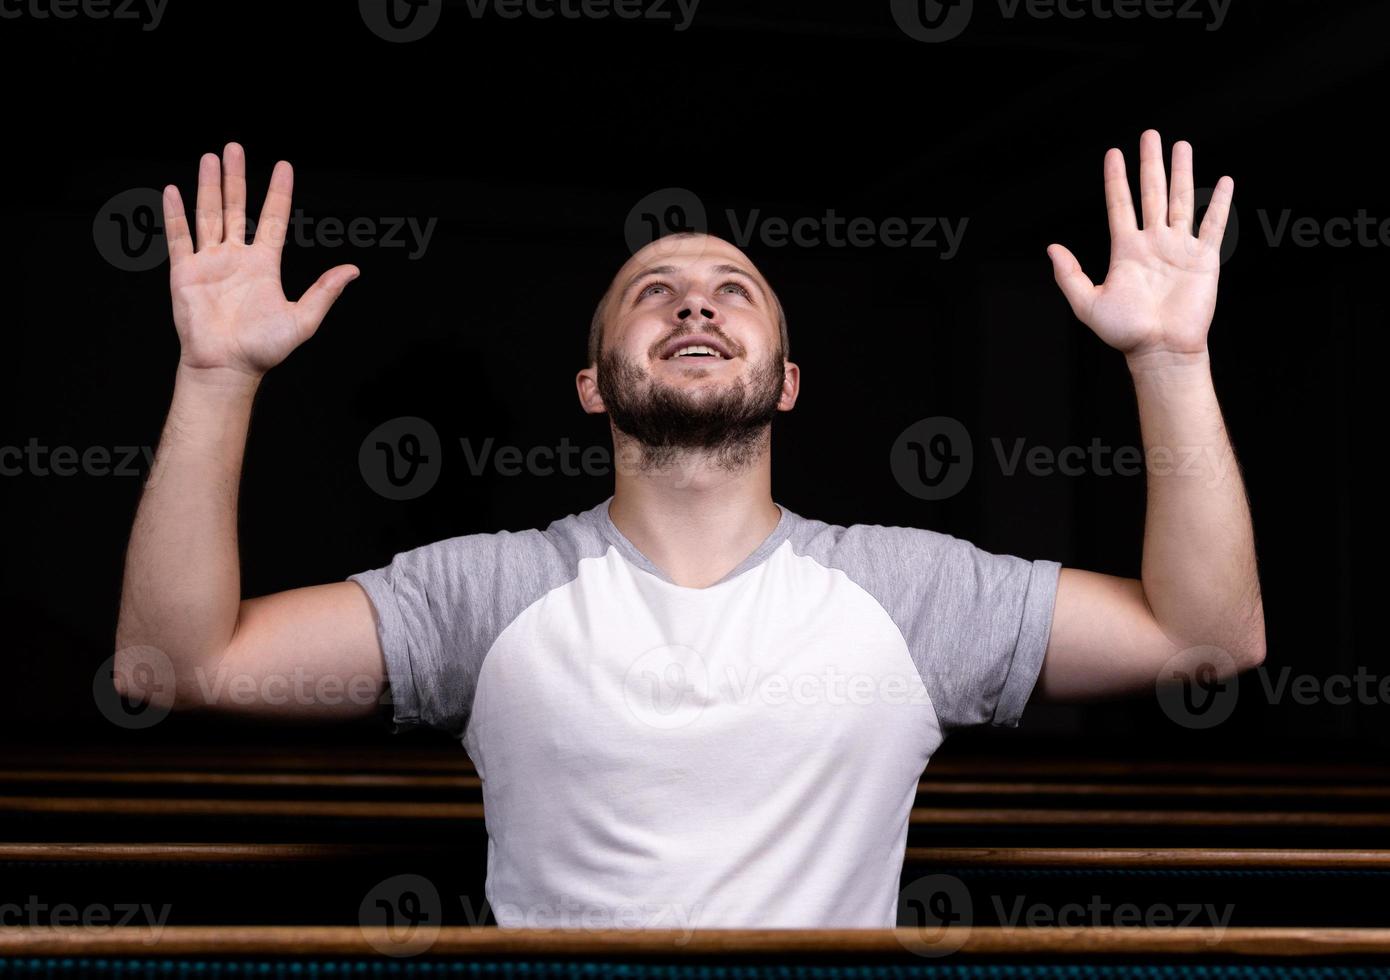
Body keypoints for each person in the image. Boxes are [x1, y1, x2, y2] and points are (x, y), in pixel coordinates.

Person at [113, 132, 1265, 930]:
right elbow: (174, 665)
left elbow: (1205, 638)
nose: (696, 301)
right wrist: (214, 375)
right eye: (653, 290)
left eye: (732, 288)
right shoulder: (484, 590)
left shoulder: (912, 590)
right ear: (592, 386)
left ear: (788, 382)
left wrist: (1169, 359)